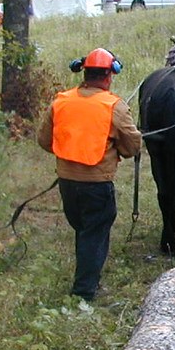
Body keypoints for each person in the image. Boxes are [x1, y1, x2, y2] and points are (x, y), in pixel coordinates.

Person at [37, 48, 142, 302]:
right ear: (109, 75)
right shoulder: (115, 107)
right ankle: (83, 293)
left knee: (83, 229)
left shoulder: (60, 101)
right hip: (96, 185)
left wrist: (70, 152)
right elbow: (132, 146)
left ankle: (86, 279)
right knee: (94, 233)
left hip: (66, 182)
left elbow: (43, 139)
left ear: (83, 71)